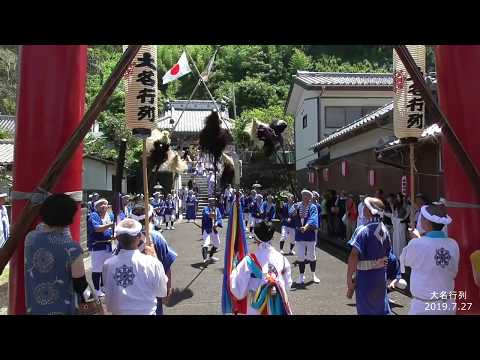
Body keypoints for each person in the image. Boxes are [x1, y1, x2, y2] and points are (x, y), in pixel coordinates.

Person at [24, 194, 89, 315]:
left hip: (35, 307)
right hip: (62, 308)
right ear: (70, 217)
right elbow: (80, 285)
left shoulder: (30, 238)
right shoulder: (72, 248)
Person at [400, 204, 458, 315]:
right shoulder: (453, 244)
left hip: (423, 307)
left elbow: (405, 260)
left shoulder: (417, 244)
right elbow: (453, 270)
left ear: (426, 223)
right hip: (448, 304)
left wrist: (414, 240)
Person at [103, 218, 168, 315]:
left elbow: (109, 294)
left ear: (118, 238)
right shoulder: (152, 263)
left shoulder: (108, 264)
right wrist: (155, 258)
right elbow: (162, 292)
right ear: (139, 237)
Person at [230, 221, 293, 315]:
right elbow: (288, 284)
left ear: (256, 238)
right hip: (278, 303)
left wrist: (233, 268)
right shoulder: (283, 259)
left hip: (257, 304)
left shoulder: (249, 261)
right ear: (272, 236)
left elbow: (237, 287)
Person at [128, 205, 177, 315]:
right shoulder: (157, 237)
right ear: (150, 219)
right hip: (148, 296)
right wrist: (167, 290)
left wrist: (167, 290)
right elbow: (166, 268)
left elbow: (166, 266)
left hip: (133, 296)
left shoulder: (124, 241)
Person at [346, 197, 392, 315]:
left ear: (370, 211)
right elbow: (388, 255)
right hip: (380, 276)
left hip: (365, 278)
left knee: (366, 309)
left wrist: (349, 278)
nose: (364, 209)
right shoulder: (385, 230)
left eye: (366, 207)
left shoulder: (363, 230)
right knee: (380, 309)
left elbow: (353, 256)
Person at [291, 190, 320, 285]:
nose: (304, 197)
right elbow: (291, 213)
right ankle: (301, 275)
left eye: (306, 196)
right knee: (300, 256)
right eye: (303, 195)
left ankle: (313, 275)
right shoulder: (297, 205)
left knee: (311, 255)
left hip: (309, 234)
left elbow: (313, 218)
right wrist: (294, 210)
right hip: (299, 234)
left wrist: (306, 227)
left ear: (310, 198)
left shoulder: (313, 207)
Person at [87, 198, 114, 297]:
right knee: (97, 269)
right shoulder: (93, 216)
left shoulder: (110, 215)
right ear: (96, 207)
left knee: (106, 268)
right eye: (101, 204)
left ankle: (104, 286)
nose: (103, 206)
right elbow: (97, 228)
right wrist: (111, 225)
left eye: (105, 204)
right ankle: (97, 289)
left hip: (108, 245)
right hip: (97, 246)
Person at [384, 192, 410, 258]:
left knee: (401, 241)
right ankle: (396, 256)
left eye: (398, 197)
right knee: (396, 241)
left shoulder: (406, 206)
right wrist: (392, 207)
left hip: (401, 225)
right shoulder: (397, 206)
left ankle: (401, 256)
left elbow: (401, 216)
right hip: (396, 226)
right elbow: (394, 215)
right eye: (397, 197)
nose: (397, 198)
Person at [201, 197, 223, 264]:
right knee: (206, 244)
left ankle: (210, 257)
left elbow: (219, 218)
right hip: (207, 229)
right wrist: (211, 215)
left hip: (214, 229)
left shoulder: (217, 209)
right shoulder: (206, 208)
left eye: (214, 201)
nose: (213, 202)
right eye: (211, 201)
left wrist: (217, 223)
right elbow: (206, 214)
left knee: (217, 244)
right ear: (209, 202)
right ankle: (205, 260)